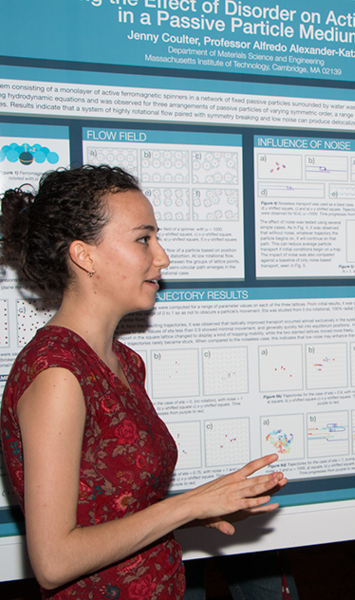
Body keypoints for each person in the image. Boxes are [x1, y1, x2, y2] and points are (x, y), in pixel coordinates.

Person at [0, 165, 287, 599]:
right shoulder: (57, 375)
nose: (162, 257)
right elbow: (54, 561)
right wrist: (187, 505)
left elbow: (111, 514)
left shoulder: (123, 362)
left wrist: (202, 510)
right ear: (84, 256)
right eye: (143, 239)